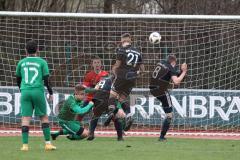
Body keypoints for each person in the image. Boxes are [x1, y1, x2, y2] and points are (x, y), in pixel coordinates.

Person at [16, 40, 56, 151]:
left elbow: (18, 80)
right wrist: (51, 93)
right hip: (38, 91)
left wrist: (22, 90)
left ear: (25, 50)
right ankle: (48, 144)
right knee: (43, 117)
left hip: (25, 91)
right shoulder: (42, 62)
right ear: (37, 50)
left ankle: (25, 145)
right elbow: (46, 80)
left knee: (25, 118)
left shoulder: (21, 62)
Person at [104, 33, 145, 140]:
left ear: (122, 41)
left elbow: (117, 66)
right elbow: (143, 70)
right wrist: (135, 74)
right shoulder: (138, 52)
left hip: (121, 76)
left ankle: (110, 113)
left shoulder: (121, 50)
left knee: (112, 96)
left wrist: (114, 74)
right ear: (130, 40)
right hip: (132, 79)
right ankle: (128, 115)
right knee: (121, 99)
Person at [149, 54, 187, 141]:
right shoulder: (170, 67)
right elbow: (176, 81)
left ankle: (162, 136)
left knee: (166, 107)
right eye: (175, 64)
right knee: (169, 115)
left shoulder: (161, 63)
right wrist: (184, 71)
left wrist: (179, 72)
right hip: (161, 90)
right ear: (173, 62)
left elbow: (169, 73)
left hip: (152, 89)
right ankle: (162, 137)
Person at [87, 73, 133, 141]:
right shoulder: (116, 82)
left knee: (95, 115)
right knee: (116, 117)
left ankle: (91, 133)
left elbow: (95, 90)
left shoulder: (102, 80)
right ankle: (120, 136)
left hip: (97, 98)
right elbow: (115, 94)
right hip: (107, 98)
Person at [76, 56, 108, 122]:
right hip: (90, 98)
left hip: (102, 99)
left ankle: (121, 131)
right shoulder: (89, 75)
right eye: (95, 62)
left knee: (113, 113)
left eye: (98, 62)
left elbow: (107, 87)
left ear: (101, 64)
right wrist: (94, 90)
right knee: (80, 113)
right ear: (92, 64)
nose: (97, 64)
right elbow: (85, 89)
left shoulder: (105, 74)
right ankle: (75, 128)